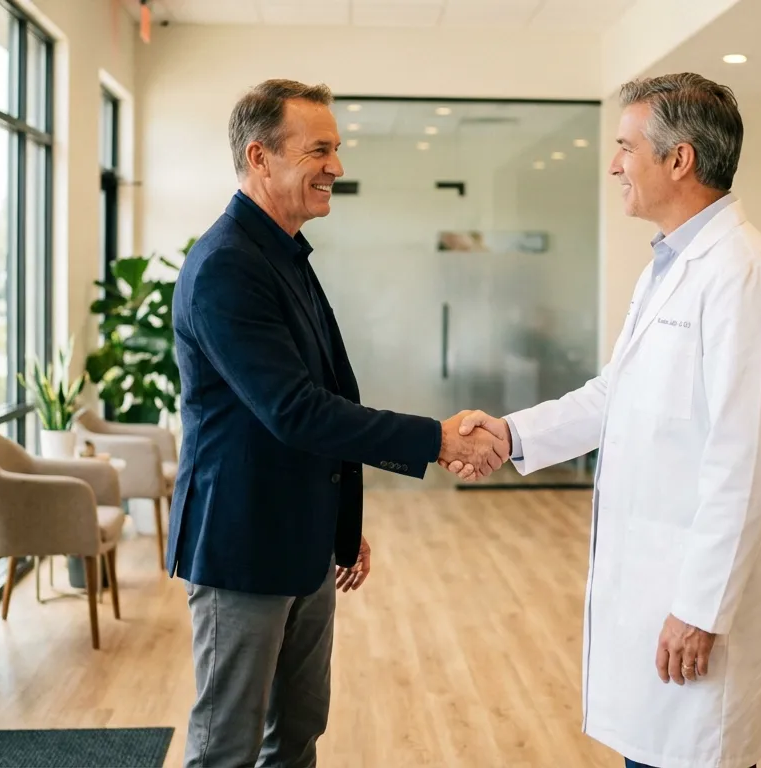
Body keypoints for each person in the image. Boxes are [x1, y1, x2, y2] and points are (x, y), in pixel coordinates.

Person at [451, 73, 761, 768]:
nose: (614, 165)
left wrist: (702, 609)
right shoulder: (667, 270)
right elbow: (614, 395)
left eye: (625, 147)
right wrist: (512, 434)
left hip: (694, 604)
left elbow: (748, 461)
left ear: (680, 160)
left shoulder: (744, 275)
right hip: (654, 591)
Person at [167, 78, 509, 768]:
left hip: (305, 542)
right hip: (243, 547)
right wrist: (437, 439)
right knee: (227, 748)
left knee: (297, 734)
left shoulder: (283, 252)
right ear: (260, 158)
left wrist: (341, 527)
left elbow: (321, 398)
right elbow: (295, 410)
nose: (337, 167)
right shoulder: (227, 267)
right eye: (319, 150)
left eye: (337, 149)